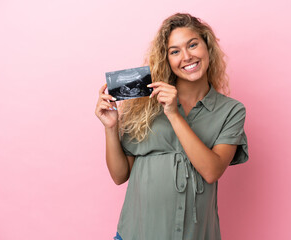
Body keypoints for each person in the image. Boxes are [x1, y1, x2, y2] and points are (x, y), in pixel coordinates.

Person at [95, 13, 248, 240]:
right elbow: (119, 176)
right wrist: (110, 128)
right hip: (136, 234)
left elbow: (211, 171)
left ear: (207, 47)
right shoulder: (144, 105)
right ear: (166, 59)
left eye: (193, 45)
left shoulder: (231, 111)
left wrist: (174, 114)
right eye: (175, 51)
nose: (186, 56)